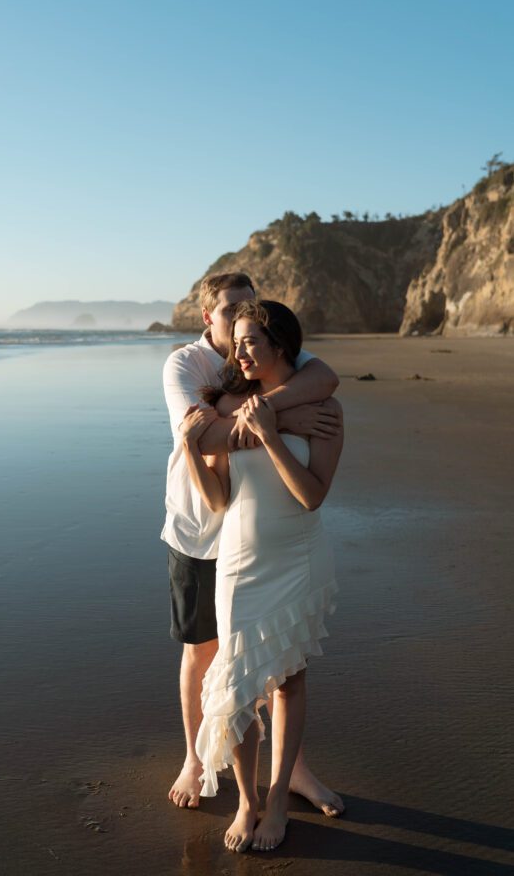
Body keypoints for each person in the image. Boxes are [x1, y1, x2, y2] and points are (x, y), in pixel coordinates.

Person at [162, 272, 343, 816]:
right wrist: (275, 418)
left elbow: (326, 379)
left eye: (251, 316)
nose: (241, 340)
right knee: (208, 654)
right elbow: (207, 436)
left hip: (290, 552)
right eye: (232, 315)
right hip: (202, 533)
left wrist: (269, 417)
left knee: (285, 672)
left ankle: (290, 775)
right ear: (208, 318)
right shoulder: (187, 367)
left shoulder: (292, 366)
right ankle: (199, 763)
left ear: (276, 340)